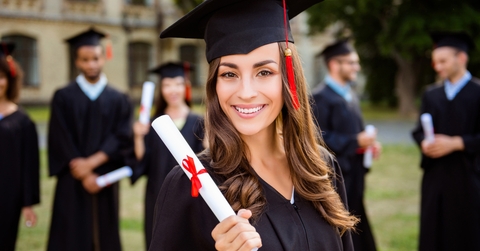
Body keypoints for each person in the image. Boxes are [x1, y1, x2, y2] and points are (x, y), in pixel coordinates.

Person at [149, 0, 358, 250]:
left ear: (289, 79)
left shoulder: (321, 168)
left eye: (264, 72)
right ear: (215, 86)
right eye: (229, 74)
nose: (246, 92)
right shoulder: (193, 185)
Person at [47, 28, 133, 251]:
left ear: (103, 58)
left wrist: (91, 164)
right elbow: (60, 136)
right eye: (85, 60)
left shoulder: (119, 98)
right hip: (72, 177)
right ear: (77, 61)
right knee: (70, 233)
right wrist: (82, 170)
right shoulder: (63, 97)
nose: (91, 64)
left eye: (95, 58)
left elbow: (123, 136)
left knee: (104, 233)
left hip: (104, 176)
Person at [411, 32, 480, 251]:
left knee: (468, 232)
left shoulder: (478, 93)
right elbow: (418, 131)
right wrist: (424, 142)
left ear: (461, 58)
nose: (437, 66)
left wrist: (457, 143)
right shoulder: (432, 94)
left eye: (443, 61)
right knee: (434, 232)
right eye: (435, 61)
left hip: (469, 177)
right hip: (436, 177)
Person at [311, 40, 379, 251]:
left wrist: (368, 145)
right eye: (351, 62)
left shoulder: (350, 95)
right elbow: (316, 136)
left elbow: (354, 132)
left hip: (355, 172)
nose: (356, 67)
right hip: (335, 176)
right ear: (334, 64)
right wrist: (354, 142)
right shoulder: (319, 97)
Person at [131, 62, 205, 249]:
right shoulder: (153, 124)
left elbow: (205, 162)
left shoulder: (199, 122)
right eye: (167, 85)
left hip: (190, 196)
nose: (173, 90)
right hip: (158, 193)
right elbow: (143, 162)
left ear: (185, 86)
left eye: (178, 84)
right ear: (161, 89)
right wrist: (139, 137)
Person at [0, 42, 40, 251]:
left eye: (1, 76)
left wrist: (27, 203)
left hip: (7, 198)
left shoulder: (22, 121)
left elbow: (29, 165)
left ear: (10, 78)